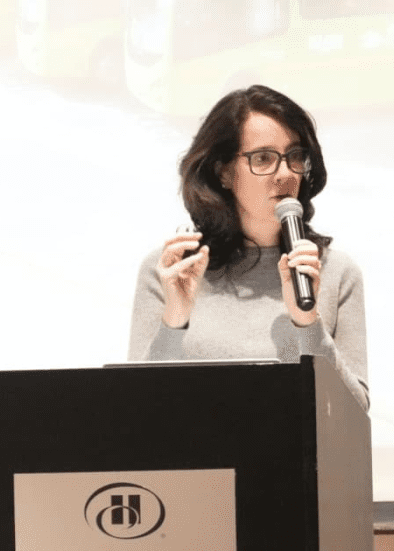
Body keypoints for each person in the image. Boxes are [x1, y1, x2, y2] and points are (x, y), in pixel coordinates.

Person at [126, 85, 368, 409]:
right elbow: (137, 408)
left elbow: (354, 412)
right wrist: (175, 321)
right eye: (264, 158)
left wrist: (308, 324)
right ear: (223, 172)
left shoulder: (335, 273)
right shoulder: (172, 271)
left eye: (295, 156)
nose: (285, 173)